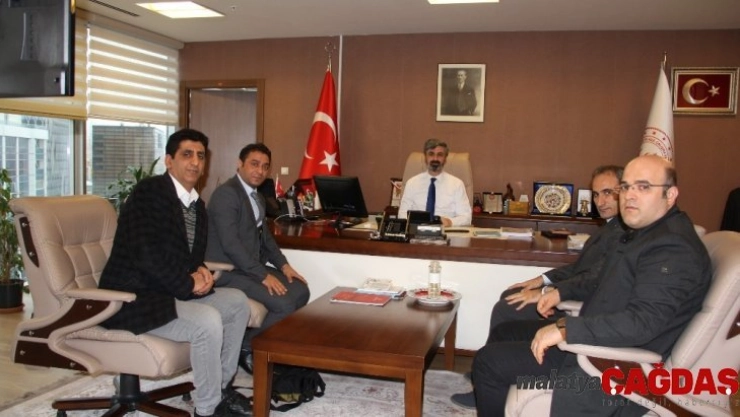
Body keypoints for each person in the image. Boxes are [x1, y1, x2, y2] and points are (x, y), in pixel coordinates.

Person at [472, 155, 711, 416]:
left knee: (488, 363)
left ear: (670, 194)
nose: (629, 196)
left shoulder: (672, 247)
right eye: (626, 187)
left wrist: (565, 329)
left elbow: (642, 323)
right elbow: (600, 279)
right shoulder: (647, 233)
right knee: (505, 331)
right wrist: (557, 294)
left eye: (643, 187)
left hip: (609, 360)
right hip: (599, 339)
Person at [99, 129, 252, 417]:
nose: (195, 162)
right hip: (133, 299)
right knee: (207, 320)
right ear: (169, 161)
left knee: (237, 302)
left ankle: (220, 389)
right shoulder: (149, 193)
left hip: (169, 291)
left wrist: (201, 273)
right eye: (187, 155)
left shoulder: (197, 206)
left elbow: (189, 259)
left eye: (200, 156)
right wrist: (187, 283)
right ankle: (207, 410)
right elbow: (145, 254)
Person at [450, 164, 625, 409]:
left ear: (624, 190)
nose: (600, 201)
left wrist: (547, 293)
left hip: (577, 310)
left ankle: (488, 378)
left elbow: (592, 279)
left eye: (608, 193)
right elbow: (579, 269)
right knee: (511, 295)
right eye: (596, 194)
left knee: (506, 307)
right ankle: (487, 378)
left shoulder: (624, 232)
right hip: (573, 298)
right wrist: (541, 280)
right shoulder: (609, 226)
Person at [206, 143, 310, 374]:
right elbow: (231, 245)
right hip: (226, 271)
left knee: (300, 290)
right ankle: (246, 348)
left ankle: (259, 346)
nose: (260, 171)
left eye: (265, 166)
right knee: (284, 304)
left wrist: (284, 266)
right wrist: (263, 275)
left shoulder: (257, 197)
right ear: (239, 164)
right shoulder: (226, 194)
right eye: (254, 164)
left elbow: (266, 239)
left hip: (247, 268)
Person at [398, 138, 472, 227]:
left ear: (445, 159)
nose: (435, 158)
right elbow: (402, 214)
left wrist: (450, 222)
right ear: (425, 157)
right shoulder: (412, 183)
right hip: (417, 231)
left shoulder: (457, 184)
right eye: (431, 154)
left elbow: (466, 217)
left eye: (440, 155)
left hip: (446, 231)